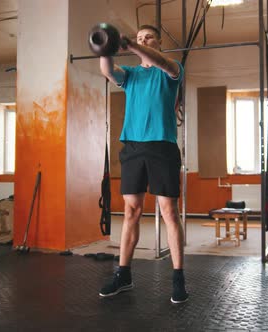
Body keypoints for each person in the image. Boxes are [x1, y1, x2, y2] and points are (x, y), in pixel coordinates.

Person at [98, 25, 188, 304]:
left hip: (162, 146)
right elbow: (108, 72)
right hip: (133, 148)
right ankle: (123, 274)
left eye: (147, 38)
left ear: (158, 43)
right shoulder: (132, 75)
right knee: (131, 211)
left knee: (169, 212)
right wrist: (106, 49)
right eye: (139, 38)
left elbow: (160, 62)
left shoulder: (172, 70)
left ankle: (178, 278)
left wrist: (130, 45)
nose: (142, 41)